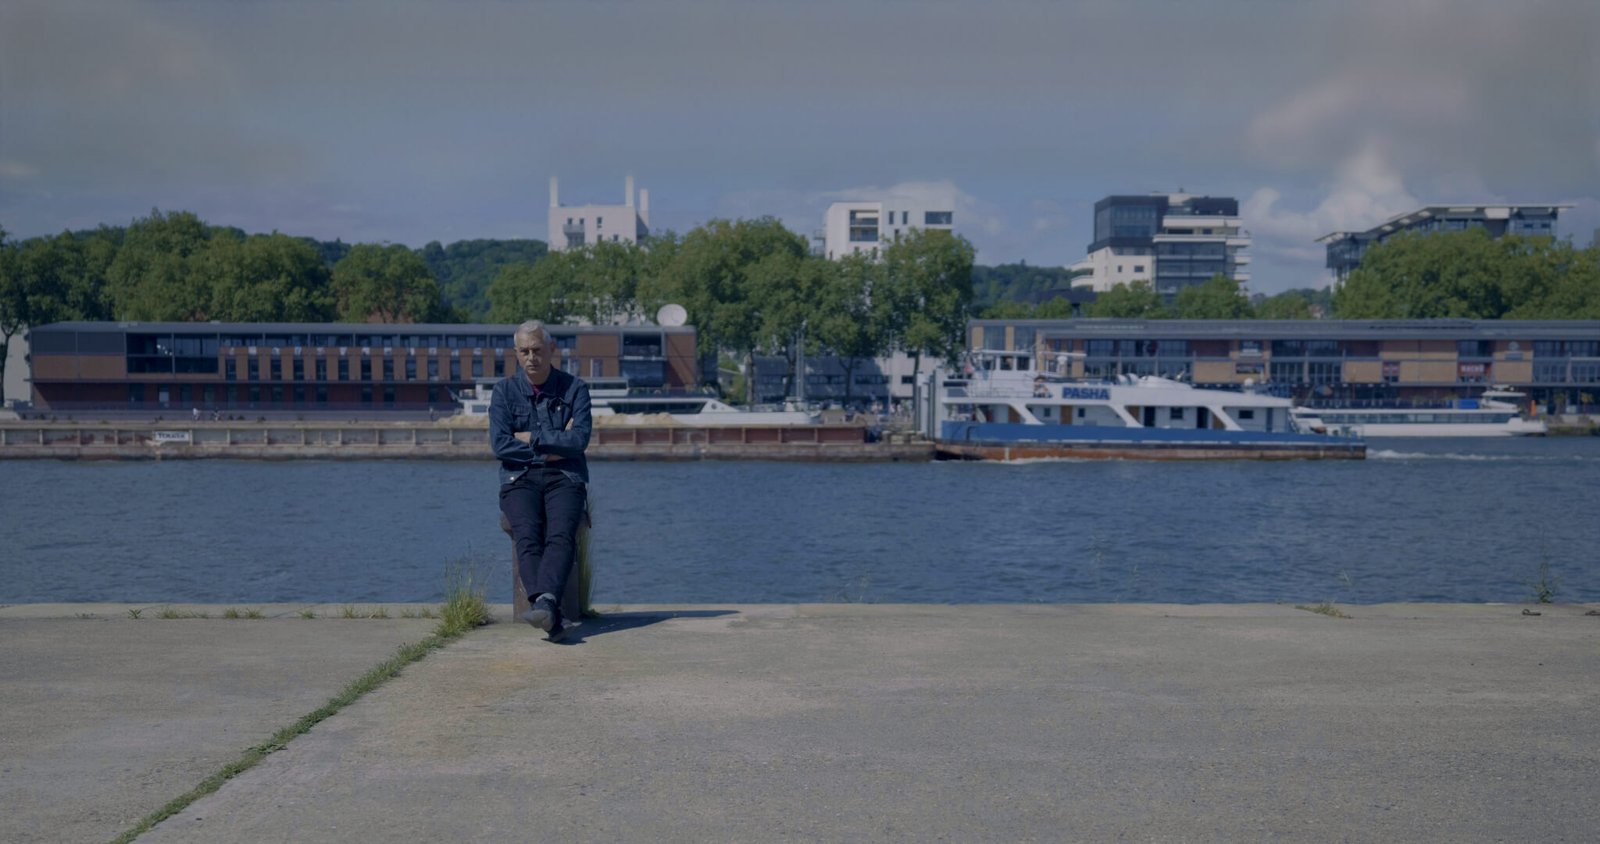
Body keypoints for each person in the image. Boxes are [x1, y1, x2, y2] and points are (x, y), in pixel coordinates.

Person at [490, 320, 592, 641]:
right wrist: (553, 443)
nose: (531, 357)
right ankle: (548, 608)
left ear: (552, 350)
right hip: (519, 477)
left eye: (537, 350)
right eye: (524, 351)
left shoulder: (575, 389)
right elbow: (500, 444)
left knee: (561, 534)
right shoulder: (503, 392)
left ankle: (544, 607)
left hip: (564, 477)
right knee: (527, 534)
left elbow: (579, 441)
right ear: (516, 354)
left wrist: (530, 439)